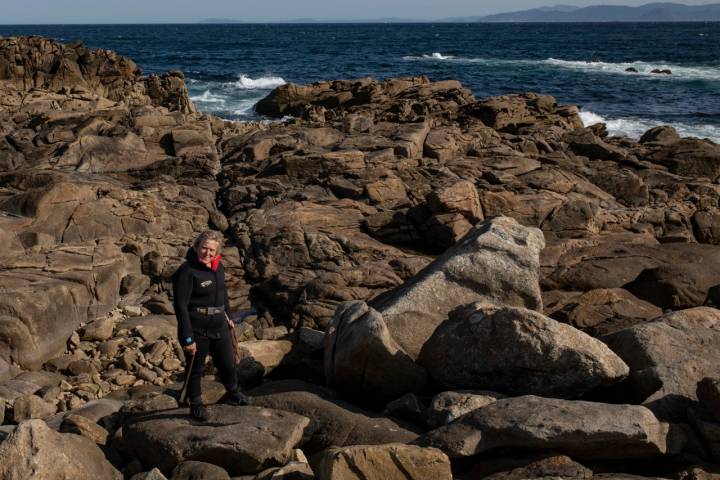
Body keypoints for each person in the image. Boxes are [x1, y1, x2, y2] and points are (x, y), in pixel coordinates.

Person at [172, 230, 251, 421]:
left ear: (217, 252)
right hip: (196, 328)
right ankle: (196, 405)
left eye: (212, 250)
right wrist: (188, 338)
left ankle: (233, 393)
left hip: (219, 325)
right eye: (204, 248)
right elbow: (180, 306)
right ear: (196, 246)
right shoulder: (186, 271)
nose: (207, 253)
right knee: (195, 369)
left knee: (227, 364)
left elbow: (223, 293)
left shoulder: (218, 267)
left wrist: (229, 316)